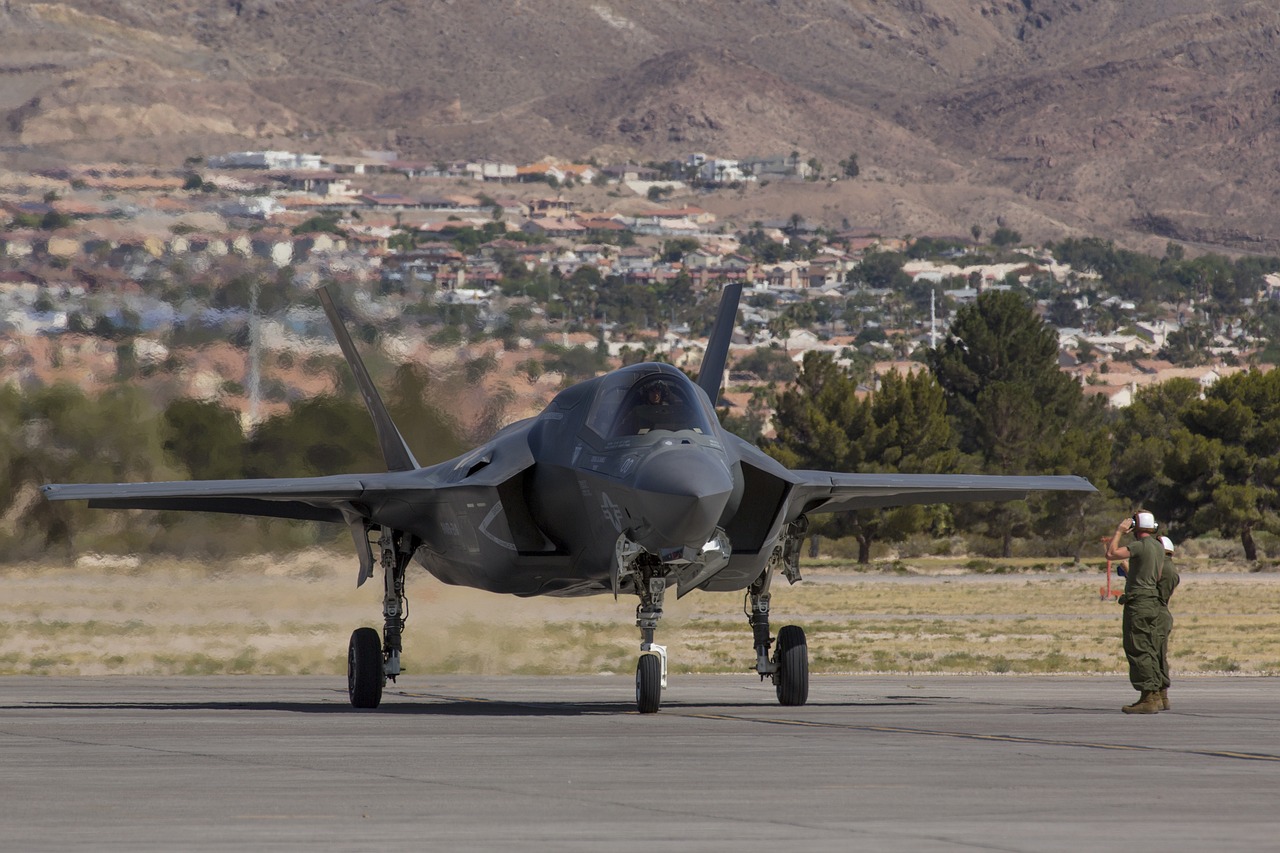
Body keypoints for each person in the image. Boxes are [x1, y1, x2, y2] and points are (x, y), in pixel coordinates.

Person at [1104, 510, 1165, 714]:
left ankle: (1147, 698)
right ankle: (1156, 694)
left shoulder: (1139, 546)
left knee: (1137, 647)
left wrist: (1119, 531)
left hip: (1138, 603)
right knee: (1150, 647)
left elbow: (1111, 554)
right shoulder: (1158, 547)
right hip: (1153, 601)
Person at [1155, 535, 1180, 711]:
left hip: (1156, 614)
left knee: (1152, 655)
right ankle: (1162, 695)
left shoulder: (1161, 569)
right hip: (1163, 613)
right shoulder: (1171, 570)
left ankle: (1156, 694)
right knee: (1160, 655)